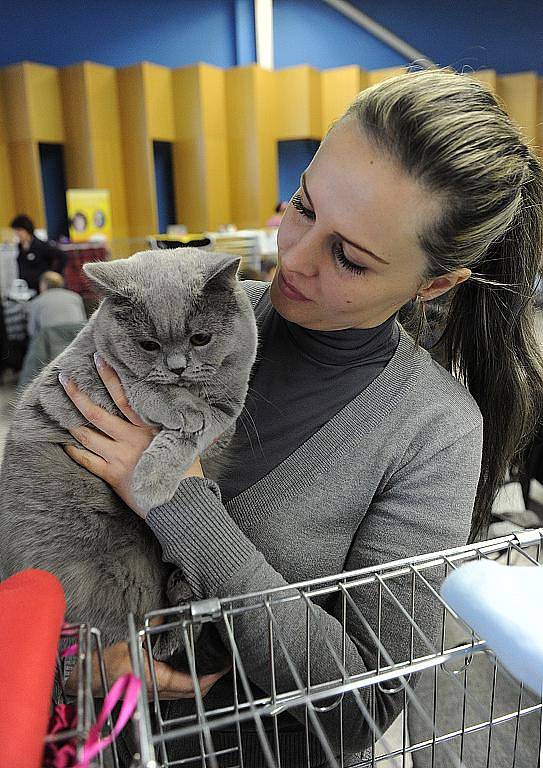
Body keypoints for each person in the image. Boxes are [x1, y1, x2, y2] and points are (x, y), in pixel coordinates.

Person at [58, 68, 543, 764]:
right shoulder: (176, 312)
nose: (293, 255)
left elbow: (360, 708)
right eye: (302, 205)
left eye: (348, 258)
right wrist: (79, 655)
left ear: (433, 283)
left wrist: (179, 501)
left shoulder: (431, 429)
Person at [10, 214, 67, 293]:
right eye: (15, 230)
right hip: (26, 289)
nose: (17, 234)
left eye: (19, 230)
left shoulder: (41, 245)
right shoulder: (19, 247)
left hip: (42, 289)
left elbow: (62, 256)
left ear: (27, 230)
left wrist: (55, 274)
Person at [26, 271, 86, 338]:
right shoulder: (75, 297)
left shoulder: (37, 301)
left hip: (51, 342)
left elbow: (32, 331)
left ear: (44, 284)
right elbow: (83, 323)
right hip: (74, 340)